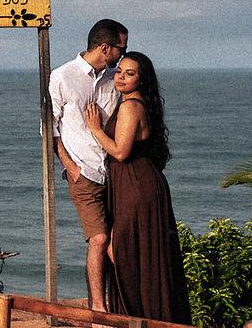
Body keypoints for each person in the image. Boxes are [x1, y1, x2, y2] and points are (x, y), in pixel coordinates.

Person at [84, 51, 191, 323]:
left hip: (137, 188)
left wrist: (95, 129)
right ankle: (141, 317)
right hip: (134, 184)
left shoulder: (132, 106)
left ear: (142, 80)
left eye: (129, 73)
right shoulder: (132, 103)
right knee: (138, 255)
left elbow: (120, 152)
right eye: (119, 71)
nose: (120, 77)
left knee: (122, 251)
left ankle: (139, 318)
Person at [50, 18, 128, 313]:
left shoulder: (114, 77)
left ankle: (120, 303)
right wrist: (70, 166)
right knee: (99, 238)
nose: (124, 54)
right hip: (84, 172)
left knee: (118, 241)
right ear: (105, 47)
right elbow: (50, 127)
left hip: (115, 170)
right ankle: (97, 311)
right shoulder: (63, 76)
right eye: (121, 48)